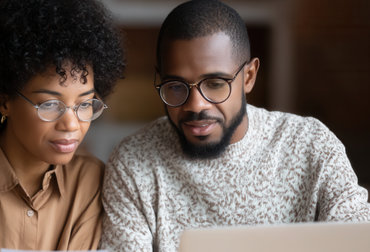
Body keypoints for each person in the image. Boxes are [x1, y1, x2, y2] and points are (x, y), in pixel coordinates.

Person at [100, 0, 370, 251]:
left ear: (249, 77)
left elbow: (357, 241)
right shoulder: (133, 162)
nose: (196, 105)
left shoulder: (311, 146)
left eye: (215, 84)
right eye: (176, 87)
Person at [0, 0, 124, 251]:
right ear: (4, 102)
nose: (72, 124)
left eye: (84, 104)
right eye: (50, 104)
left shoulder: (92, 183)